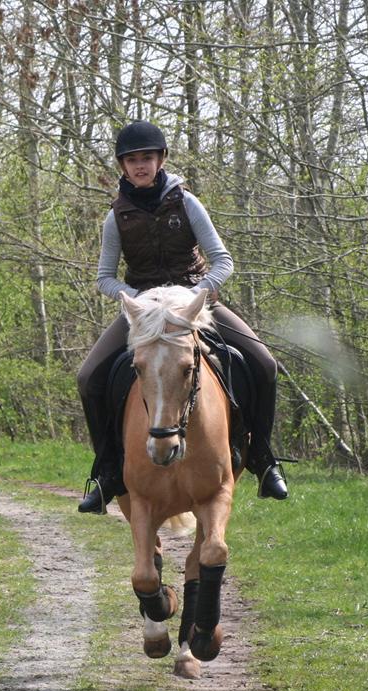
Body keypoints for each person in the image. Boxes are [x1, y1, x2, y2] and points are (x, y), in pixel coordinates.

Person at [76, 120, 289, 514]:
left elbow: (222, 261)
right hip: (145, 310)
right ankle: (107, 471)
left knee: (264, 363)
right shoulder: (115, 217)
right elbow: (104, 278)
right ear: (123, 166)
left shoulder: (187, 203)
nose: (140, 166)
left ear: (161, 161)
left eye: (147, 158)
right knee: (88, 377)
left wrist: (190, 297)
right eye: (132, 160)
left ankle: (262, 458)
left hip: (195, 304)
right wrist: (140, 302)